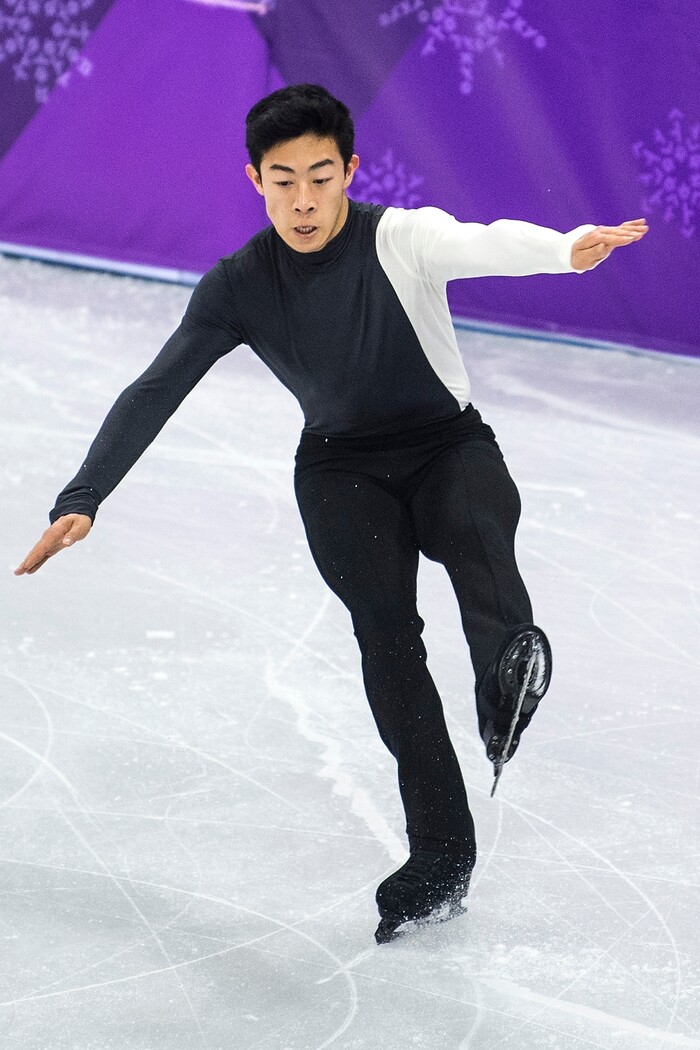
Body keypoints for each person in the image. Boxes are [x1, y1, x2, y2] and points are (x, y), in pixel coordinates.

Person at [15, 84, 648, 943]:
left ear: (350, 170)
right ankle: (440, 856)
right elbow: (157, 387)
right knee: (386, 643)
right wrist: (83, 496)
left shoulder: (401, 238)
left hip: (446, 447)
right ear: (255, 179)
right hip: (341, 470)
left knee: (474, 528)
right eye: (283, 181)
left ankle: (508, 666)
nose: (304, 201)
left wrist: (569, 247)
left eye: (321, 177)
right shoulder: (239, 284)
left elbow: (486, 241)